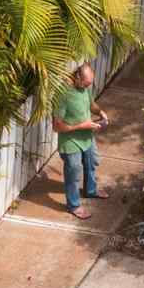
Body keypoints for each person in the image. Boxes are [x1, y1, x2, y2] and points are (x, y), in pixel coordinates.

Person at [54, 62, 106, 217]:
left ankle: (91, 190)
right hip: (70, 142)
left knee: (92, 162)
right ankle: (73, 205)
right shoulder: (63, 94)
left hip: (87, 136)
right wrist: (82, 125)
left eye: (90, 84)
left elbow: (91, 104)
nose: (88, 86)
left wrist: (100, 112)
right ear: (77, 77)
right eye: (86, 83)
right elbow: (57, 126)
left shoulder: (85, 88)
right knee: (73, 172)